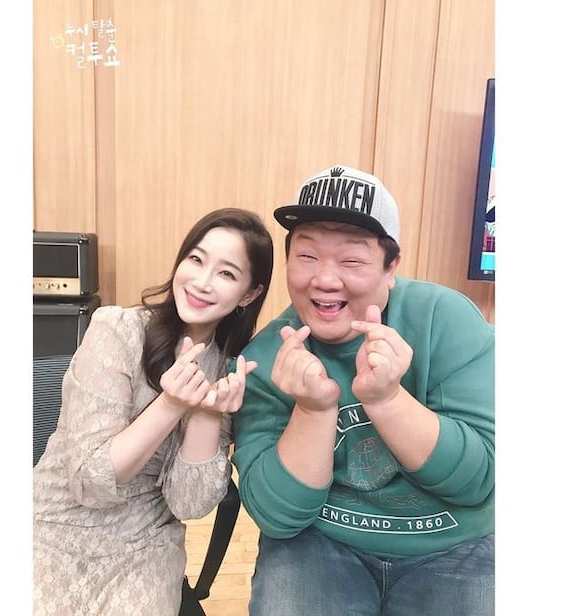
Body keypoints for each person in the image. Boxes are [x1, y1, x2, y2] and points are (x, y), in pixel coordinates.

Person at [232, 165, 495, 616]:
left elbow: (479, 481)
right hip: (323, 542)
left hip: (455, 543)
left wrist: (387, 400)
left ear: (391, 267)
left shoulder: (446, 320)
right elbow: (278, 516)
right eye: (307, 255)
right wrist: (313, 410)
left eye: (351, 260)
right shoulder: (267, 356)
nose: (325, 279)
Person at [33, 207, 274, 616]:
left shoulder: (230, 372)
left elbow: (188, 504)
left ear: (249, 294)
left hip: (146, 540)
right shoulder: (116, 330)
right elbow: (90, 482)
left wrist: (207, 415)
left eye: (226, 273)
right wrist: (171, 404)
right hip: (57, 521)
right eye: (195, 259)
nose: (201, 281)